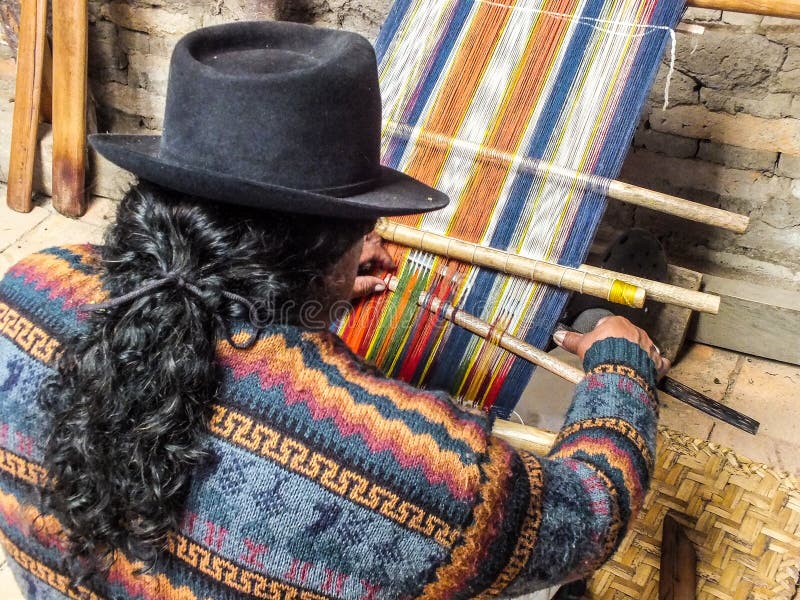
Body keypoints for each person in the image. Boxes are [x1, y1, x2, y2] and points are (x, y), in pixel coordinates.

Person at [0, 21, 668, 600]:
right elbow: (592, 511)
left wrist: (305, 298)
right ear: (341, 242)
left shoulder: (27, 293)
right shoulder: (420, 478)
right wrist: (621, 363)